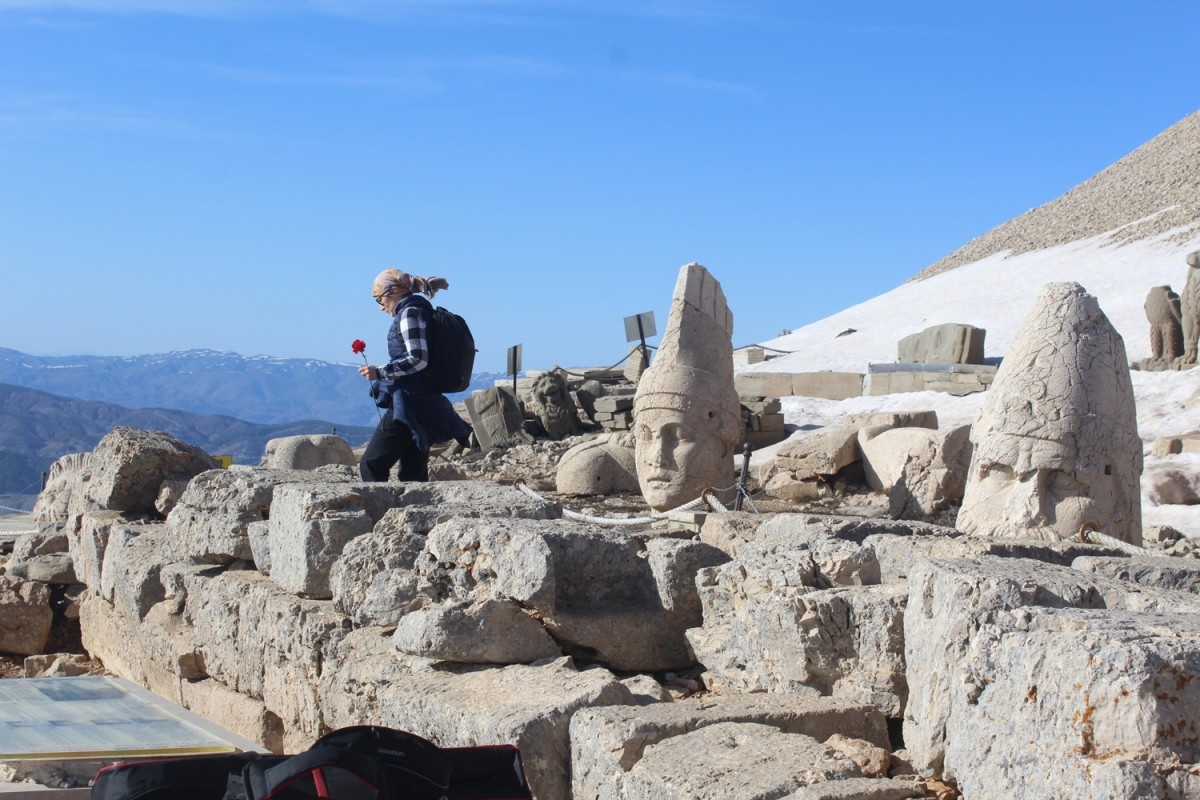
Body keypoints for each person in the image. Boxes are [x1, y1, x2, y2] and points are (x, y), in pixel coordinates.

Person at [357, 269, 472, 482]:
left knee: (372, 464)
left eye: (378, 299)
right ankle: (413, 512)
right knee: (412, 472)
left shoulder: (410, 313)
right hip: (422, 401)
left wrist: (380, 372)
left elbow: (418, 359)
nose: (380, 307)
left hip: (409, 401)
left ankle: (379, 511)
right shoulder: (416, 310)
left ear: (392, 292)